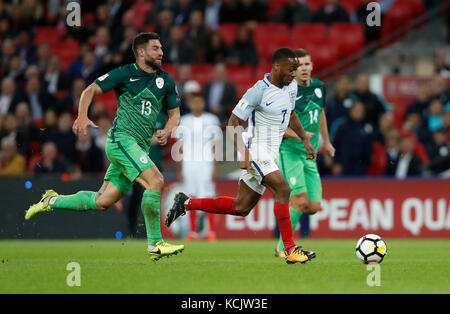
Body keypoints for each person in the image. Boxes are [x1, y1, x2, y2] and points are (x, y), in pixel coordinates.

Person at [25, 32, 184, 261]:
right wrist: (81, 116)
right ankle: (155, 244)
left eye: (161, 48)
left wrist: (168, 129)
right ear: (141, 52)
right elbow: (90, 90)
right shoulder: (125, 74)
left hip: (137, 147)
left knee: (102, 201)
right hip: (121, 140)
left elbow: (174, 115)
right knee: (156, 180)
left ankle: (51, 200)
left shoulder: (166, 80)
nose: (161, 52)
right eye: (155, 48)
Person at [166, 48, 317, 264]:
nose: (294, 74)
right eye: (291, 69)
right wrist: (244, 153)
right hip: (256, 149)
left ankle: (186, 203)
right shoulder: (258, 90)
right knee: (283, 188)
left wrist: (304, 138)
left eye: (296, 69)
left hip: (269, 154)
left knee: (241, 207)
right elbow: (233, 122)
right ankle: (290, 249)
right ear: (276, 67)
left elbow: (290, 113)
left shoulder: (290, 86)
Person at [274, 49, 335, 258]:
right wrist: (299, 136)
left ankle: (286, 223)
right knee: (299, 200)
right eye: (299, 66)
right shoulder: (286, 92)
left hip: (310, 154)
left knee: (313, 206)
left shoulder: (320, 87)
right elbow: (277, 127)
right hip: (289, 152)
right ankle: (284, 247)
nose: (304, 69)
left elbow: (321, 113)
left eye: (307, 64)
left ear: (312, 66)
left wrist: (326, 141)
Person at [175, 93, 221, 241]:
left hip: (206, 163)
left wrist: (216, 167)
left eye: (199, 102)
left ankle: (212, 231)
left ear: (203, 103)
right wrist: (179, 168)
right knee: (190, 196)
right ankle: (193, 232)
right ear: (190, 104)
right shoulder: (184, 121)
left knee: (208, 196)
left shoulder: (212, 120)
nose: (196, 105)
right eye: (194, 102)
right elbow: (179, 147)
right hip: (189, 163)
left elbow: (216, 146)